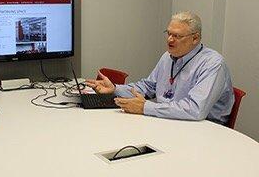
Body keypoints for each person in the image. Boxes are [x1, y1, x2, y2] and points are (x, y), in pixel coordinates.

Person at [86, 11, 234, 125]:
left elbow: (195, 110)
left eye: (176, 36)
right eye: (168, 33)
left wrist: (145, 108)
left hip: (204, 131)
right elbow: (148, 86)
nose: (170, 39)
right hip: (170, 121)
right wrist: (115, 89)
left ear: (195, 38)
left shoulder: (213, 64)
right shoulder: (167, 57)